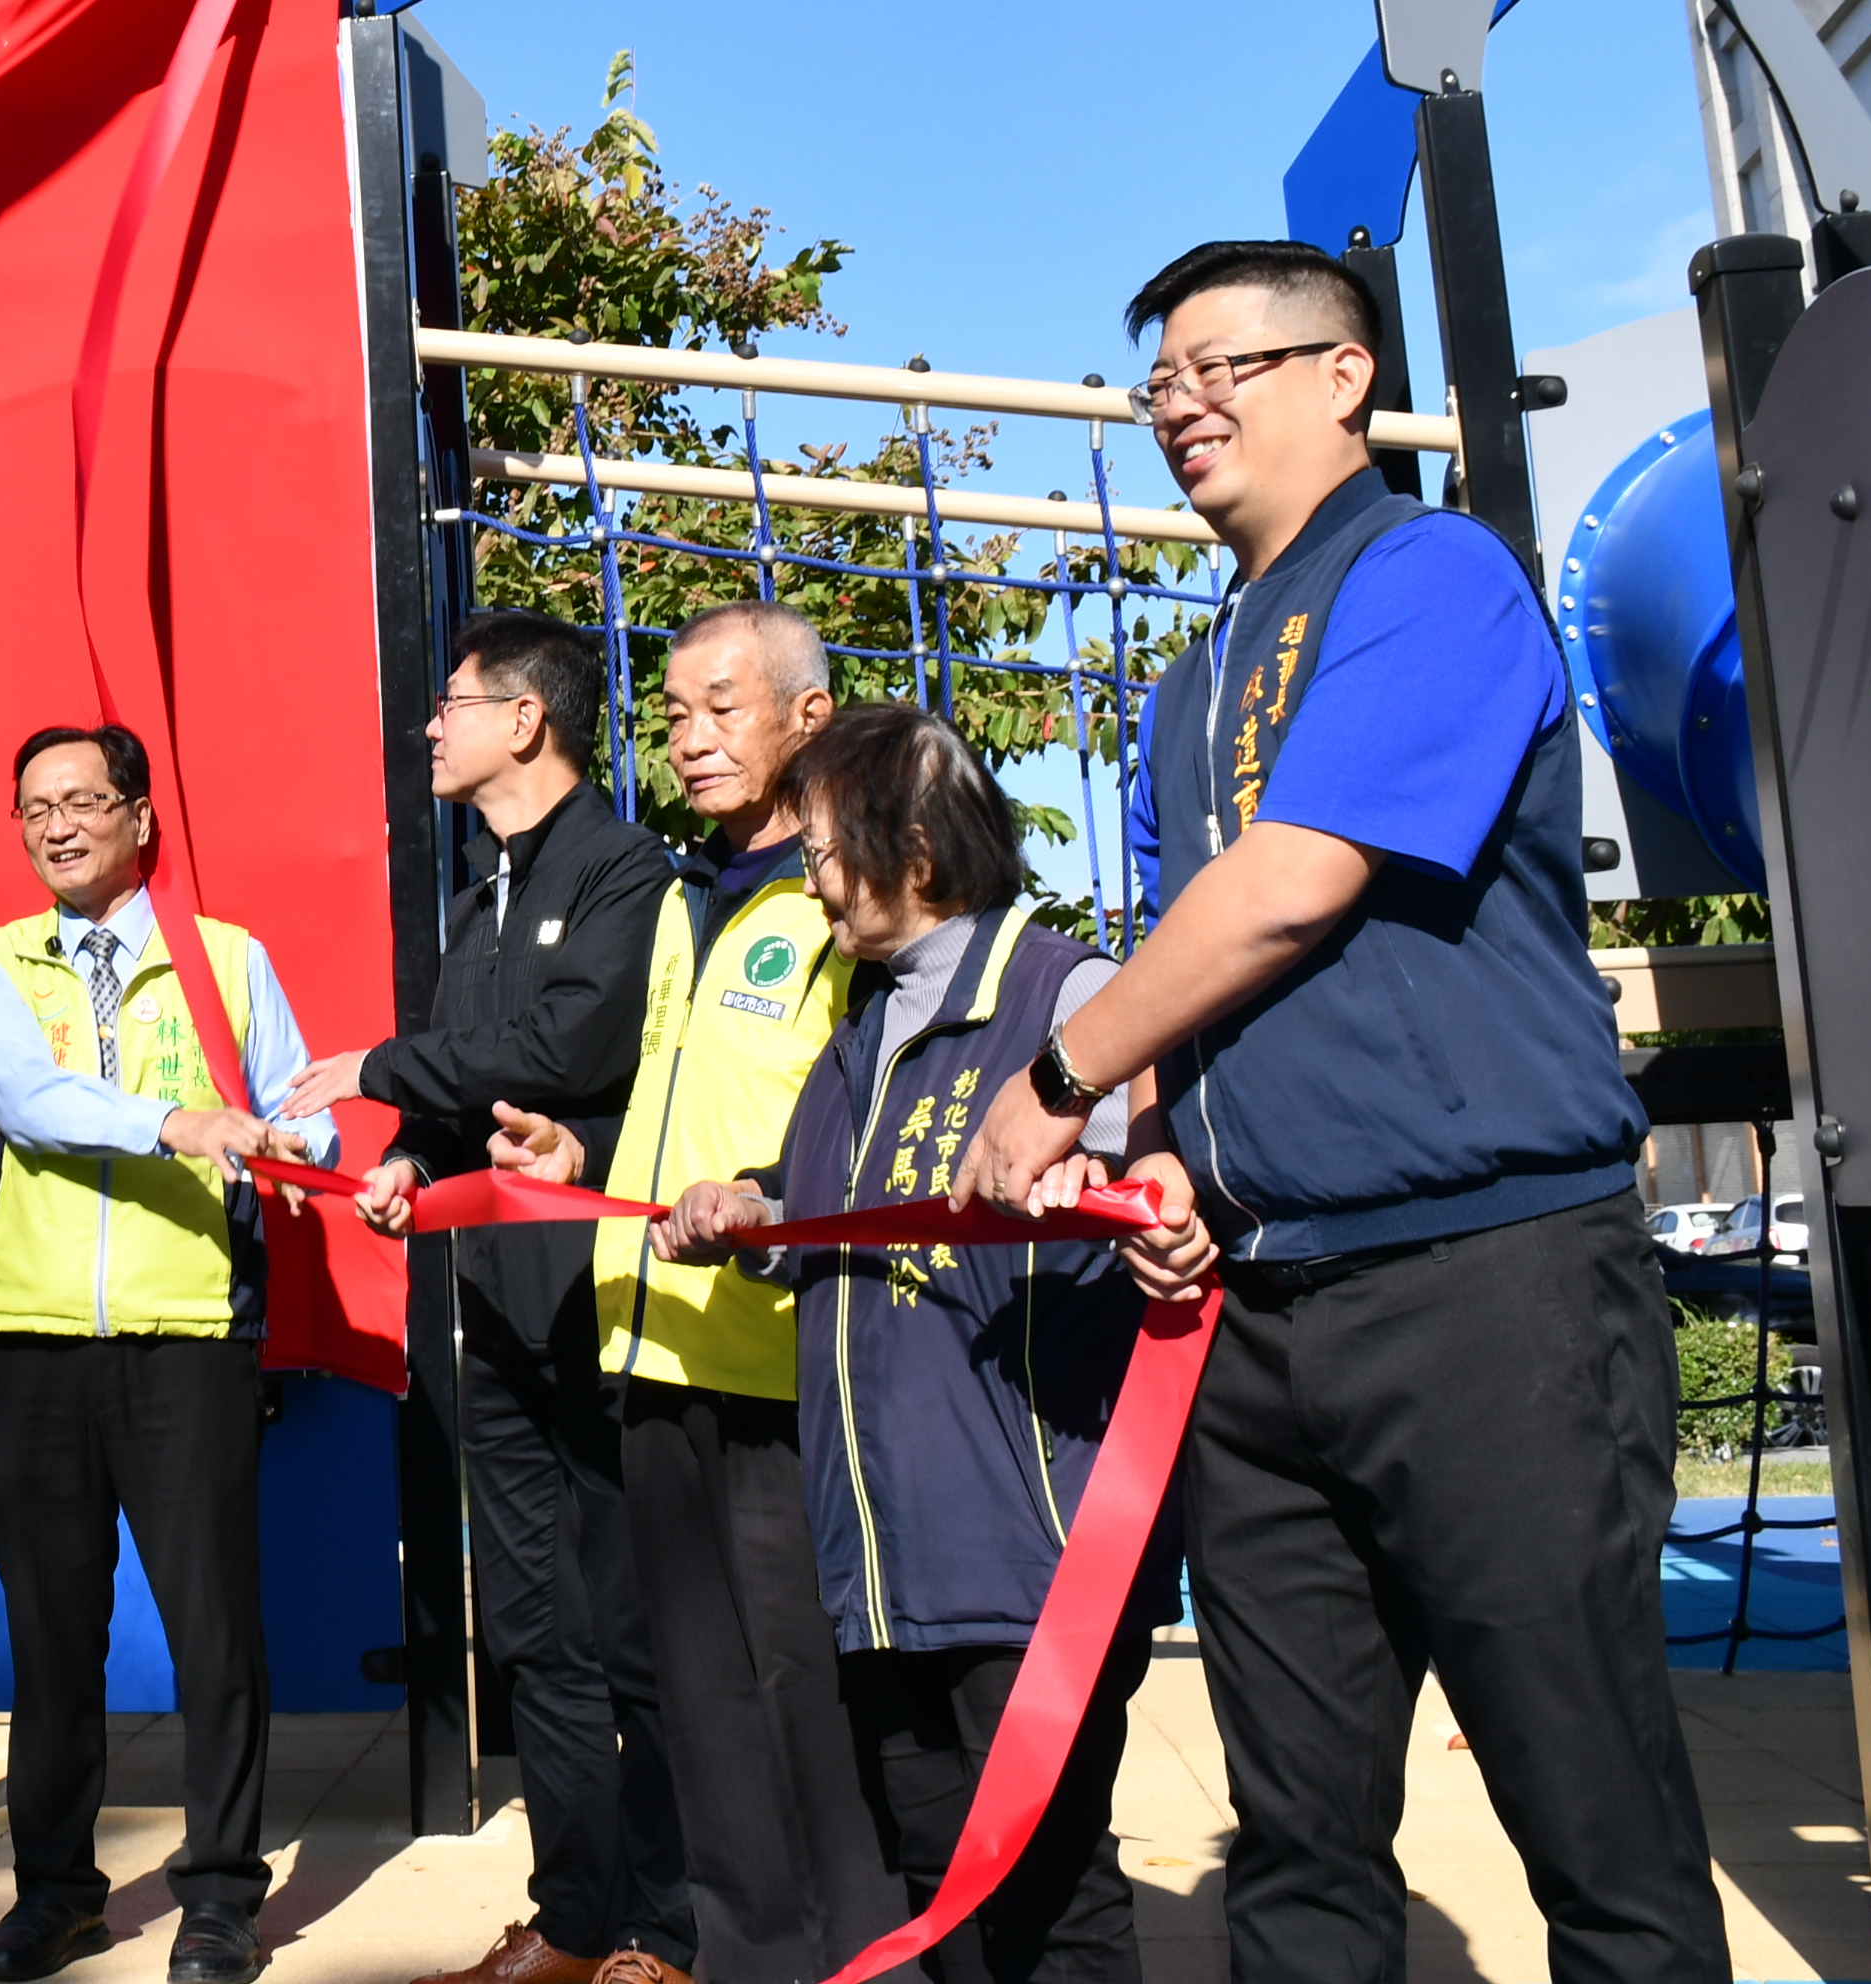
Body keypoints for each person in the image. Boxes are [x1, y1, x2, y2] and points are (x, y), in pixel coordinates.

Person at [951, 239, 1728, 1984]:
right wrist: (1160, 1156)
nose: (1182, 403)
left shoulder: (1430, 573)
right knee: (1296, 1843)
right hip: (1257, 1314)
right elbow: (1188, 962)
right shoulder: (1187, 679)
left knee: (1594, 1822)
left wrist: (1061, 1080)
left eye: (1221, 364)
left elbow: (1292, 886)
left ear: (1344, 373)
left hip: (1483, 1283)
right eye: (1160, 380)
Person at [511, 705, 1211, 1984]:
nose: (814, 877)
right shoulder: (858, 1034)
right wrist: (753, 1212)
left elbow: (1158, 1205)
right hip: (880, 1559)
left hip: (1023, 1554)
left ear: (919, 853)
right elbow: (827, 1209)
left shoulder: (1067, 1000)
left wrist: (1111, 1197)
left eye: (829, 849)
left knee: (1052, 1895)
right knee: (934, 1877)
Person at [278, 613, 689, 1984]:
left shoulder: (629, 872)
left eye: (450, 705)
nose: (430, 728)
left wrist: (377, 1069)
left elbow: (566, 1045)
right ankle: (576, 1921)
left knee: (635, 1629)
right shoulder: (476, 902)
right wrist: (408, 1158)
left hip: (609, 1310)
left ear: (526, 719)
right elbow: (469, 1092)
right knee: (530, 1632)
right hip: (494, 1321)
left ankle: (670, 1929)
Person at [534, 604, 899, 1984]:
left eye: (721, 707)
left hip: (784, 1361)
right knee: (697, 1711)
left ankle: (859, 1959)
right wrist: (584, 1155)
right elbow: (685, 1100)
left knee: (811, 1706)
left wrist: (762, 1192)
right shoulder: (689, 901)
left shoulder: (853, 896)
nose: (688, 737)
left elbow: (879, 1113)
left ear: (810, 715)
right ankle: (748, 1960)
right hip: (656, 1351)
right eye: (674, 713)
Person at [0, 724, 333, 1984]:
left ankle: (221, 1896)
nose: (57, 826)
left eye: (82, 801)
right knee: (52, 1639)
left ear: (141, 816)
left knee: (216, 1633)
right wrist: (182, 1121)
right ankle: (55, 1894)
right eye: (35, 809)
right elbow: (31, 1104)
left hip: (189, 1342)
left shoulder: (227, 961)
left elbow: (294, 1107)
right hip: (36, 1345)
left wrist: (316, 1150)